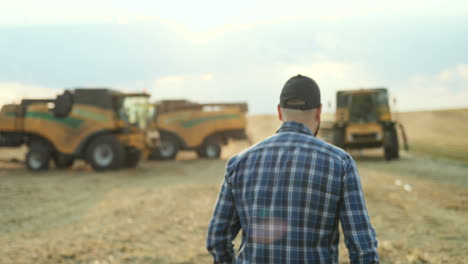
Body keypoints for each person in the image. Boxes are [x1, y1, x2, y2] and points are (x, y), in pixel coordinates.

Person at [206, 75, 379, 264]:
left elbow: (217, 239)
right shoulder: (340, 163)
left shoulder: (239, 163)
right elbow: (363, 250)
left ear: (280, 112)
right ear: (319, 112)